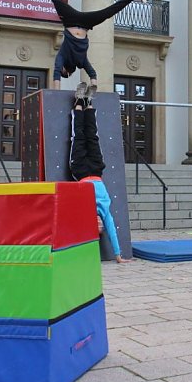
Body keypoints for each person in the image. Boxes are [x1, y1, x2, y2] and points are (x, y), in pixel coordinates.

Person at [28, 0, 145, 89]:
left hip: (70, 20)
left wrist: (56, 92)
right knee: (107, 13)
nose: (63, 70)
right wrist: (93, 87)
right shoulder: (81, 61)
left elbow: (57, 71)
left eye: (65, 73)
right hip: (84, 23)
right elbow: (92, 73)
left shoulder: (62, 55)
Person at [69, 82, 129, 263]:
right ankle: (89, 103)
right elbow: (112, 231)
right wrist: (118, 256)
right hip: (96, 170)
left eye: (96, 225)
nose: (99, 223)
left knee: (78, 136)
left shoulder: (83, 211)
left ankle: (78, 102)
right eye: (100, 225)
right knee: (93, 138)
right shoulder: (105, 212)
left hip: (80, 171)